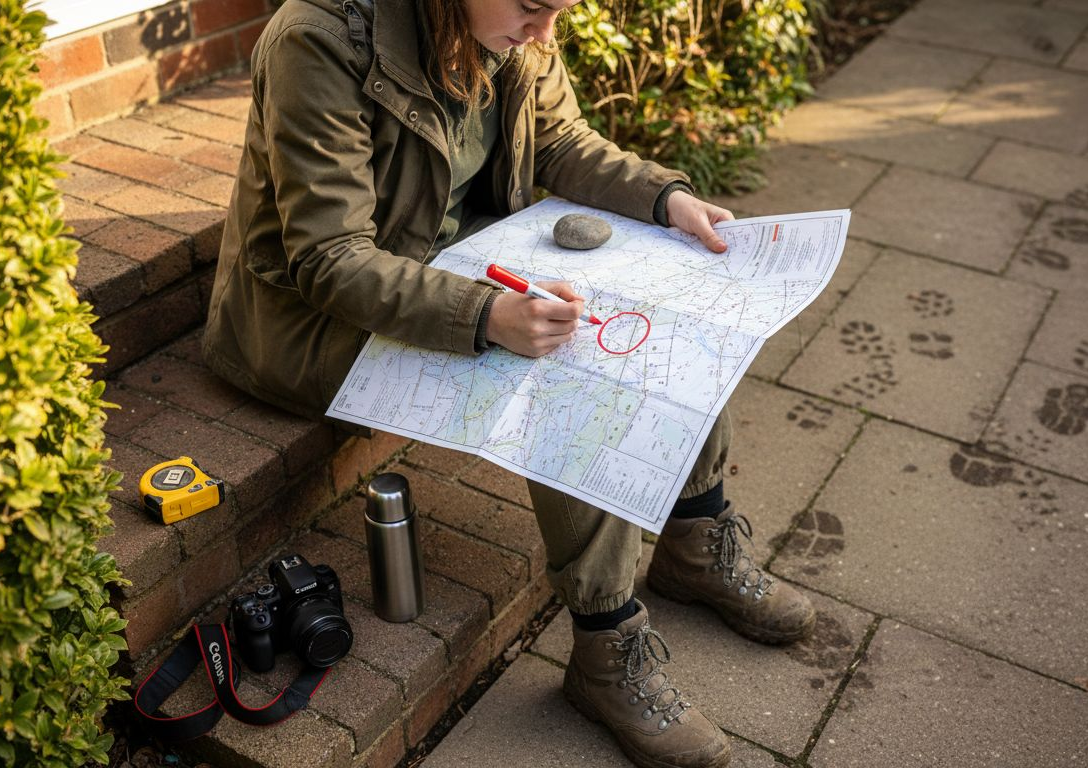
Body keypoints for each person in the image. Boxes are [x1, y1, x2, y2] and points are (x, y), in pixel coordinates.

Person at [202, 1, 816, 766]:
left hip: (454, 258)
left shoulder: (509, 29)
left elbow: (559, 141)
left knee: (677, 299)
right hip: (310, 322)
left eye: (559, 8)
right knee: (578, 368)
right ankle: (606, 645)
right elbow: (328, 257)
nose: (546, 31)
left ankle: (696, 537)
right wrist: (487, 314)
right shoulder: (317, 39)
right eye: (533, 7)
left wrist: (665, 198)